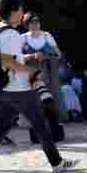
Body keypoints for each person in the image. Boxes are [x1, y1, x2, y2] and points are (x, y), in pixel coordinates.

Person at [0, 0, 79, 173]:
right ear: (13, 11)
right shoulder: (11, 34)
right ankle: (57, 163)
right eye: (20, 10)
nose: (22, 14)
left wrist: (25, 59)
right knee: (40, 124)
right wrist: (29, 70)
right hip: (18, 88)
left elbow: (9, 58)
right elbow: (6, 59)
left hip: (3, 88)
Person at [22, 13, 65, 144]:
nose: (35, 24)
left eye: (37, 21)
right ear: (26, 24)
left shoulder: (47, 36)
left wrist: (48, 54)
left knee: (52, 101)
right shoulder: (22, 38)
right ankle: (37, 136)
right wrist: (32, 56)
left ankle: (55, 134)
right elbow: (16, 57)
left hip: (49, 74)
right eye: (31, 22)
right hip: (32, 74)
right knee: (35, 103)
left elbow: (58, 54)